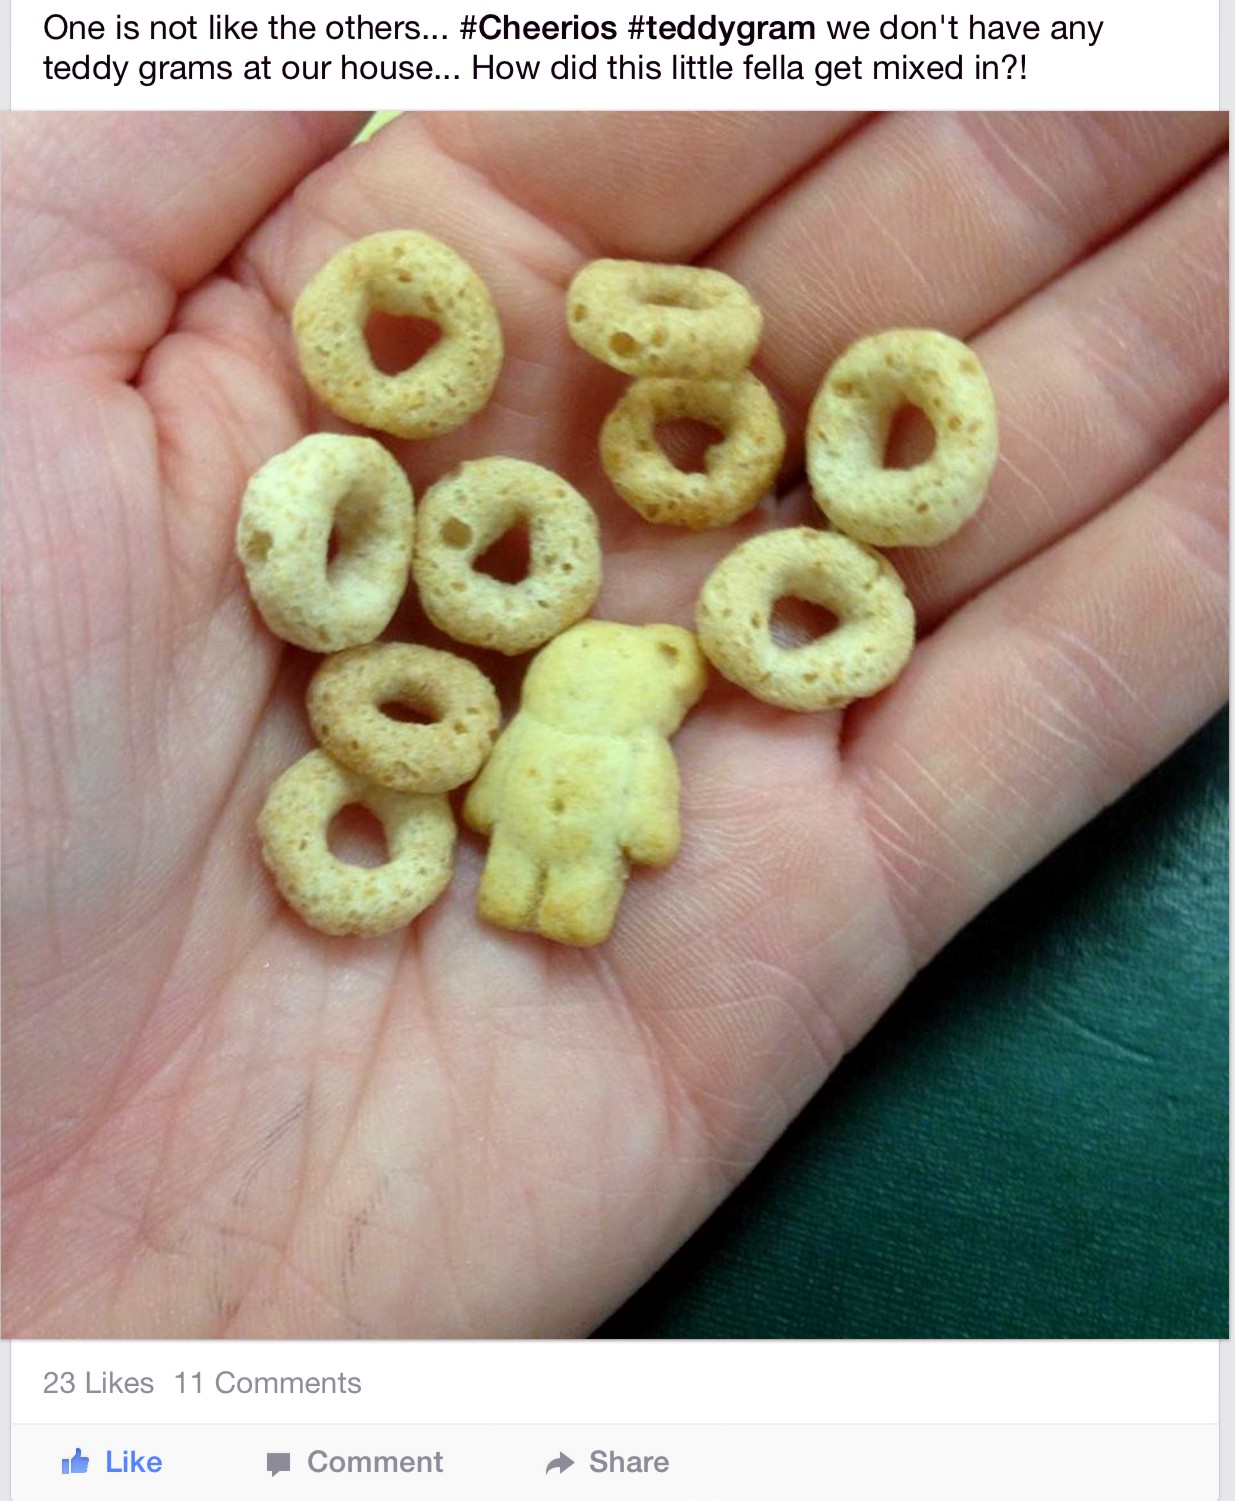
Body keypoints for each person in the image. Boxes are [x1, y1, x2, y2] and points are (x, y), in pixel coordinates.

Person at [2, 111, 1227, 1337]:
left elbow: (593, 808)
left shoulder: (593, 696)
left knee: (564, 876)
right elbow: (564, 801)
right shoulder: (491, 667)